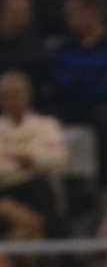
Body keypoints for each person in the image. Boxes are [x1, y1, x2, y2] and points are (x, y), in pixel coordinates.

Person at [49, 0, 107, 184]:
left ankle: (100, 185)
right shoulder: (64, 49)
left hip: (100, 114)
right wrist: (91, 80)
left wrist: (81, 82)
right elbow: (60, 82)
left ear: (92, 12)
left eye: (73, 13)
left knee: (102, 118)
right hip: (68, 111)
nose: (69, 19)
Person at [0, 69, 67, 235]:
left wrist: (30, 159)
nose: (12, 100)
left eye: (17, 94)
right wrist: (28, 161)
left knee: (43, 193)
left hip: (36, 188)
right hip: (3, 190)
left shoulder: (47, 125)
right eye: (7, 96)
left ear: (28, 96)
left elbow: (58, 158)